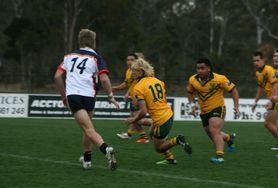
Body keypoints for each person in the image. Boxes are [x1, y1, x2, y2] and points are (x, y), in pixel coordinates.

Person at [54, 29, 119, 170]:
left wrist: (64, 96)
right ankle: (87, 160)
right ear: (93, 42)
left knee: (88, 129)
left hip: (74, 96)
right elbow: (104, 79)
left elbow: (57, 76)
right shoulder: (97, 58)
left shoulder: (69, 56)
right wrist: (110, 96)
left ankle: (106, 150)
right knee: (88, 129)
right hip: (90, 97)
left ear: (79, 41)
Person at [125, 58, 192, 164]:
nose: (132, 73)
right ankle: (170, 158)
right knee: (151, 134)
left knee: (159, 148)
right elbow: (162, 98)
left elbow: (143, 112)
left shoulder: (139, 87)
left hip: (161, 119)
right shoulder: (158, 81)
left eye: (134, 70)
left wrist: (133, 119)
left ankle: (177, 140)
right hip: (168, 114)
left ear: (141, 71)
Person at [186, 57, 239, 164]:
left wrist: (236, 106)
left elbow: (233, 90)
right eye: (198, 68)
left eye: (202, 68)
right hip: (204, 111)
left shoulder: (220, 78)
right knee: (212, 133)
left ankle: (219, 156)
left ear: (209, 69)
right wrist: (193, 105)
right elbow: (189, 92)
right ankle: (229, 138)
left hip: (218, 108)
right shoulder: (193, 79)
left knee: (214, 130)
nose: (199, 70)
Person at [112, 53, 151, 143]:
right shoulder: (129, 71)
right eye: (128, 60)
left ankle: (157, 125)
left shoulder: (140, 72)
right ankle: (137, 135)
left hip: (140, 98)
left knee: (137, 119)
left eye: (132, 60)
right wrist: (116, 88)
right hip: (134, 98)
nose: (129, 62)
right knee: (133, 118)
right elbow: (128, 84)